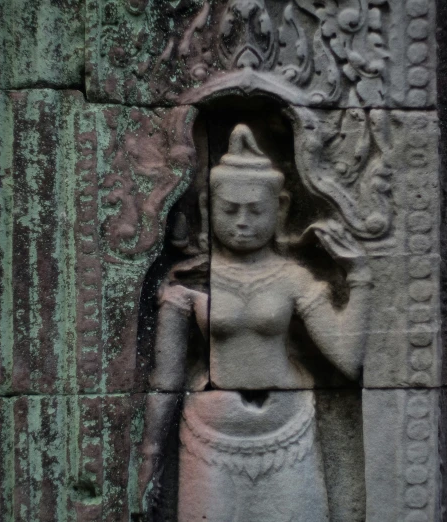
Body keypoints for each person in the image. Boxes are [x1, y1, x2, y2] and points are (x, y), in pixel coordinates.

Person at [136, 124, 371, 521]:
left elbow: (348, 359)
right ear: (209, 209)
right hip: (209, 434)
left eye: (256, 210)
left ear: (279, 209)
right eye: (230, 210)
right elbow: (166, 380)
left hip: (288, 429)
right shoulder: (190, 281)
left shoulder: (291, 278)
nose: (242, 221)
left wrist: (360, 277)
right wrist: (151, 451)